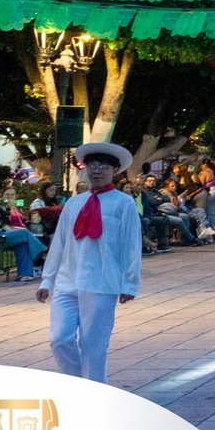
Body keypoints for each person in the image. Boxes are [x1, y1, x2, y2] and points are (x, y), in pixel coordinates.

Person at [36, 143, 142, 385]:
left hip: (101, 281)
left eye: (103, 166)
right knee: (59, 337)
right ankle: (77, 382)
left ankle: (95, 390)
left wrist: (129, 283)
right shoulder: (74, 203)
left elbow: (131, 245)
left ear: (114, 170)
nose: (97, 171)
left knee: (93, 345)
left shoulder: (123, 203)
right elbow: (59, 243)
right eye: (92, 165)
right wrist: (47, 279)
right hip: (67, 280)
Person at [0, 183, 46, 282]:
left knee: (22, 243)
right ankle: (41, 253)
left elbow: (4, 221)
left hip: (3, 234)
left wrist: (5, 212)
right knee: (23, 232)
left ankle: (24, 274)